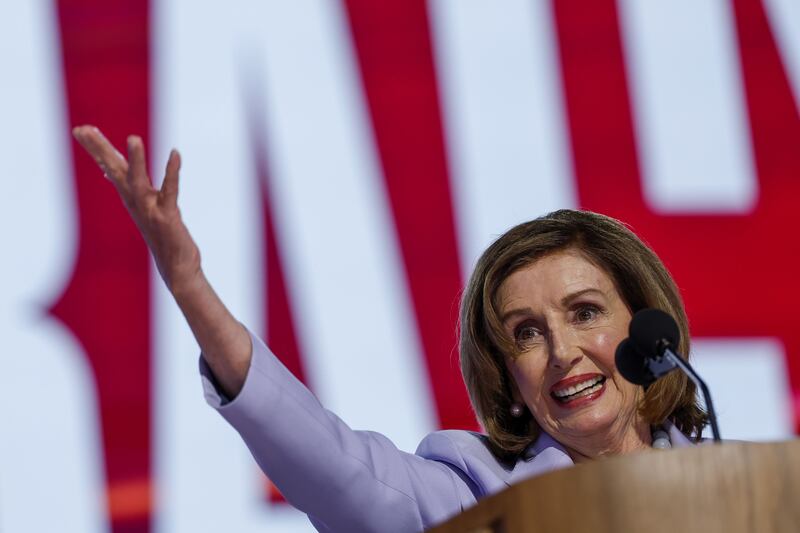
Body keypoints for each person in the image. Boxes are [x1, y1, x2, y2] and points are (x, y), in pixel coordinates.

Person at [73, 126, 708, 532]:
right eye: (526, 333)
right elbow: (330, 464)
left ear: (646, 327)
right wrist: (191, 288)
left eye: (585, 312)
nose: (562, 351)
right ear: (509, 381)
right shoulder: (470, 500)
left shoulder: (740, 486)